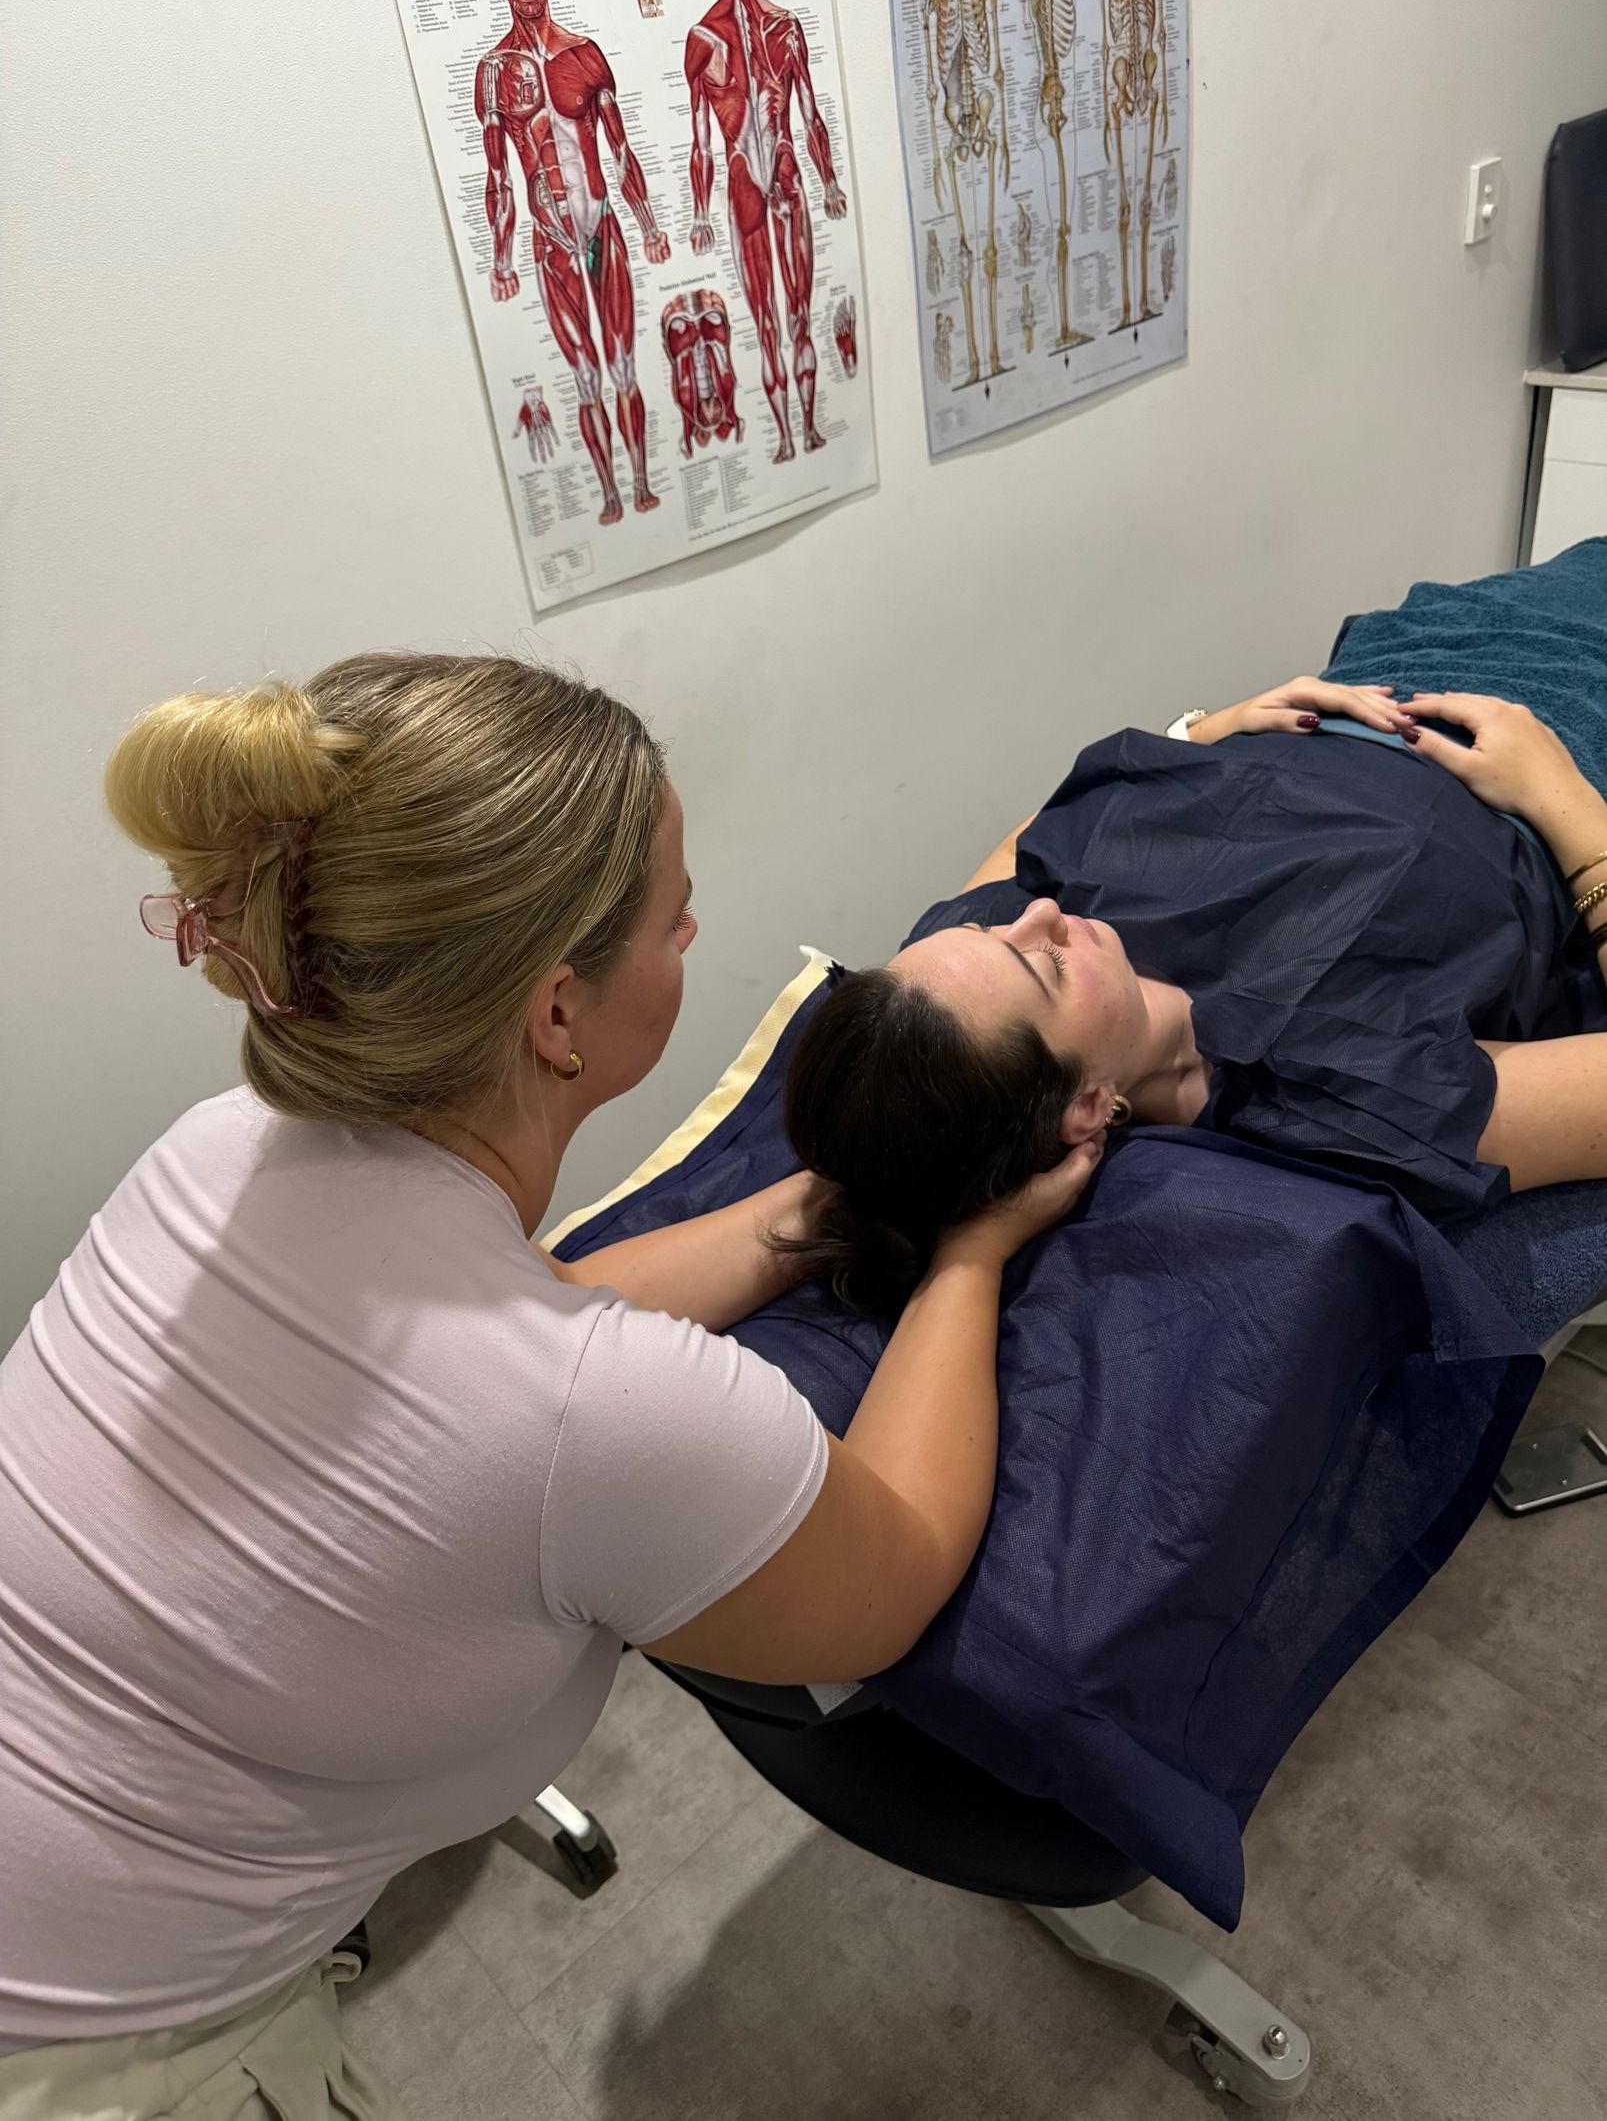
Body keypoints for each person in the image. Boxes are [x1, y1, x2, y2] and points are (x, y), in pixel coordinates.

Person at [0, 654, 1101, 2118]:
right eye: (672, 910)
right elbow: (888, 1563)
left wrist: (807, 1215)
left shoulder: (221, 1143)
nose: (698, 922)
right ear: (558, 1016)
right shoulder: (598, 1418)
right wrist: (972, 1245)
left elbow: (502, 1341)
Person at [780, 675, 1607, 1315]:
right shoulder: (1343, 1097)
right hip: (1551, 745)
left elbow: (1016, 848)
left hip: (1350, 690)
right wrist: (1555, 793)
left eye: (989, 932)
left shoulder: (960, 987)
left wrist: (1203, 729)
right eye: (1045, 966)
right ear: (1086, 1109)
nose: (1037, 915)